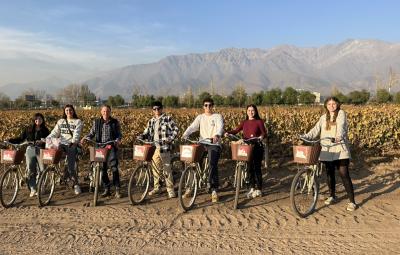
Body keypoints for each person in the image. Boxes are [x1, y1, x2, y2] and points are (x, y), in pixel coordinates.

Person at [302, 97, 357, 211]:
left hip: (339, 147)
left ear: (337, 104)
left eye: (333, 103)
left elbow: (341, 126)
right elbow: (315, 130)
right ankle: (332, 196)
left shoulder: (341, 114)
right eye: (329, 104)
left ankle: (352, 201)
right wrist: (306, 136)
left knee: (343, 173)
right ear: (326, 106)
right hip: (327, 149)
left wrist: (339, 136)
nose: (331, 106)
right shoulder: (323, 117)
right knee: (329, 173)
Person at [182, 98, 224, 203]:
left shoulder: (217, 117)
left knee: (212, 163)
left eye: (210, 105)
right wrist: (185, 134)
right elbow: (192, 127)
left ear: (213, 106)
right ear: (203, 106)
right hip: (202, 143)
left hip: (214, 143)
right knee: (192, 162)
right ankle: (190, 187)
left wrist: (217, 135)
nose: (208, 107)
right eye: (206, 105)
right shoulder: (200, 117)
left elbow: (220, 127)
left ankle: (214, 189)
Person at [138, 101, 179, 199]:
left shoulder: (167, 119)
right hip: (154, 147)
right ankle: (157, 187)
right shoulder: (151, 121)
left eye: (158, 108)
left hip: (164, 147)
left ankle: (170, 190)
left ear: (161, 109)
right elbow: (146, 132)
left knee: (166, 169)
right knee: (155, 167)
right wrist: (141, 136)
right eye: (154, 109)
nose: (156, 110)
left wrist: (170, 139)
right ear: (152, 110)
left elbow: (176, 129)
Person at [225, 104, 266, 198]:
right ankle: (252, 187)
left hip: (257, 146)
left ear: (255, 112)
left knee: (257, 168)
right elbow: (236, 130)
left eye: (252, 110)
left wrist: (261, 137)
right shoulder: (244, 122)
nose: (250, 112)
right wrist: (228, 133)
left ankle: (259, 189)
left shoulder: (259, 121)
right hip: (247, 147)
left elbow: (264, 133)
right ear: (246, 112)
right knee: (249, 168)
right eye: (249, 110)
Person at [81, 105, 122, 198]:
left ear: (110, 112)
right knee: (102, 169)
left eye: (107, 111)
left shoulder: (114, 122)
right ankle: (107, 188)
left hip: (110, 146)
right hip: (100, 146)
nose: (105, 113)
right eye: (104, 111)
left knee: (114, 167)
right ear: (101, 112)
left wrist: (118, 139)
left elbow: (119, 134)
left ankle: (117, 189)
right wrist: (86, 138)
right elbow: (91, 133)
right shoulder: (97, 122)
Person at [8, 113, 49, 197]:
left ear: (43, 120)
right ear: (34, 120)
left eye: (40, 119)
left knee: (42, 169)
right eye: (36, 119)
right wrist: (10, 140)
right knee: (31, 169)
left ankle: (41, 185)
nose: (38, 120)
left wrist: (44, 141)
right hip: (30, 150)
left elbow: (49, 140)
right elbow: (20, 139)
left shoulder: (45, 130)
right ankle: (33, 188)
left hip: (41, 150)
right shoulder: (28, 129)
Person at [47, 104, 83, 195]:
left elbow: (77, 133)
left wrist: (74, 141)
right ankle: (61, 176)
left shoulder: (78, 122)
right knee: (52, 158)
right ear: (64, 111)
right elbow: (55, 132)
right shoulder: (61, 121)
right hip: (62, 144)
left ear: (73, 111)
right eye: (66, 110)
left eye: (70, 110)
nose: (68, 112)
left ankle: (76, 185)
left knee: (71, 167)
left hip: (72, 145)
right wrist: (48, 138)